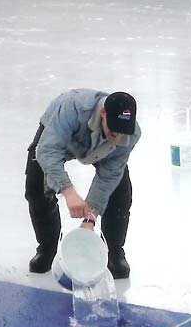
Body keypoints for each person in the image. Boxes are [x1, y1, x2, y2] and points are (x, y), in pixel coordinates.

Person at [25, 89, 140, 279]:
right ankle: (47, 247)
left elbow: (109, 175)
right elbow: (47, 152)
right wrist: (68, 191)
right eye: (113, 129)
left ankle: (115, 251)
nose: (118, 136)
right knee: (36, 187)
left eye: (123, 131)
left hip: (100, 148)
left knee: (120, 191)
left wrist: (90, 218)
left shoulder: (131, 135)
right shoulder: (73, 108)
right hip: (60, 136)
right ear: (103, 112)